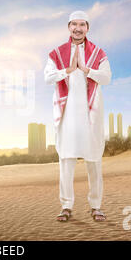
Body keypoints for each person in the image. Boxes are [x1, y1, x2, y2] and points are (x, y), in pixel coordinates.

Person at [44, 11, 112, 222]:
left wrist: (86, 69)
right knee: (66, 160)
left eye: (82, 24)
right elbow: (47, 77)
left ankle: (96, 206)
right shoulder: (57, 53)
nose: (78, 28)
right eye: (74, 24)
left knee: (94, 161)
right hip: (67, 115)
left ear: (87, 28)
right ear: (68, 27)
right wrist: (68, 70)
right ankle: (66, 206)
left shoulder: (98, 53)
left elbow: (107, 78)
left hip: (91, 114)